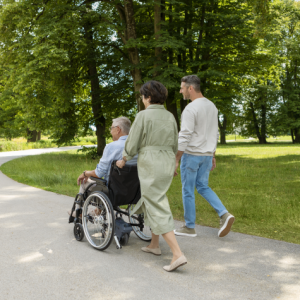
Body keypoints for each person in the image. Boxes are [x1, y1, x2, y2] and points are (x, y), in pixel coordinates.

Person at [116, 80, 187, 272]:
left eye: (142, 96)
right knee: (155, 199)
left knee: (156, 203)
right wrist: (174, 162)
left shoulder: (143, 115)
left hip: (151, 162)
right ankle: (154, 245)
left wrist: (124, 158)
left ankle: (177, 253)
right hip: (166, 161)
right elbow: (175, 141)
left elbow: (133, 142)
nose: (142, 99)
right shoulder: (170, 116)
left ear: (148, 97)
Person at [174, 75, 235, 238]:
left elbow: (185, 135)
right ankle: (224, 214)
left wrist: (176, 159)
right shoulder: (212, 106)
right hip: (207, 155)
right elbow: (214, 133)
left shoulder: (190, 108)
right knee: (203, 186)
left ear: (190, 88)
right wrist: (212, 154)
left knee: (188, 189)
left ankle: (189, 227)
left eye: (182, 88)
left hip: (192, 154)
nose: (181, 91)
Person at [68, 117, 137, 217]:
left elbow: (99, 173)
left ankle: (78, 212)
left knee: (85, 182)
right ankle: (96, 212)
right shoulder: (138, 147)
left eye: (111, 128)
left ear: (118, 129)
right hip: (134, 190)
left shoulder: (112, 147)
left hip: (114, 191)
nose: (110, 131)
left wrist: (85, 173)